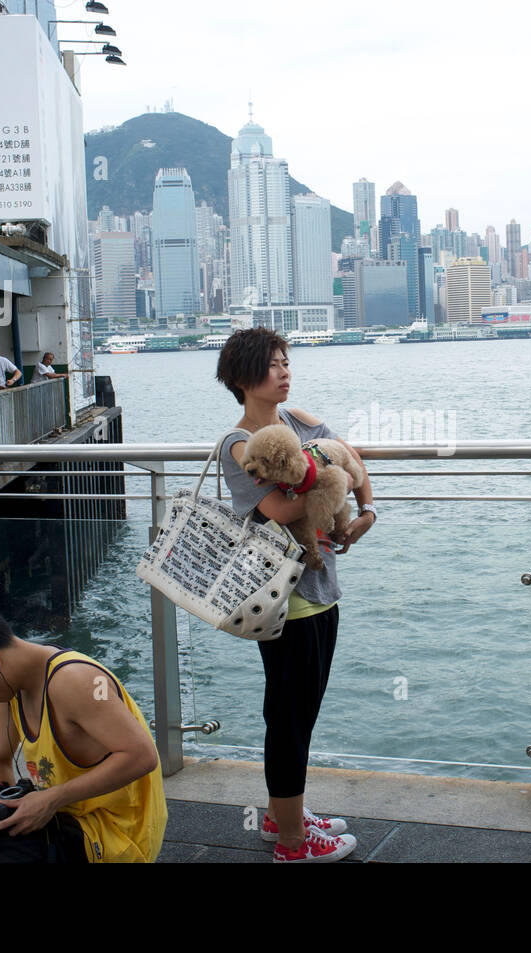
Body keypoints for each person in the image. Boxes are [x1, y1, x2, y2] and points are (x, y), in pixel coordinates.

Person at [215, 327, 376, 862]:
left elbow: (350, 461)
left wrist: (367, 510)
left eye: (287, 362)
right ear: (242, 378)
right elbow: (280, 510)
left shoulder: (297, 423)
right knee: (289, 715)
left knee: (296, 711)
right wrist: (329, 476)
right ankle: (291, 841)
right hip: (286, 597)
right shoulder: (239, 445)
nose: (285, 371)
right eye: (272, 365)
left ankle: (281, 812)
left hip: (322, 584)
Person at [0, 600, 168, 863]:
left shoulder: (76, 682)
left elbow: (142, 756)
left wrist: (51, 799)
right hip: (68, 816)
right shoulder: (12, 689)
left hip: (115, 832)